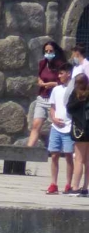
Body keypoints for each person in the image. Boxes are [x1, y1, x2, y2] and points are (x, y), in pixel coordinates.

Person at [29, 42, 66, 147]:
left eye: (50, 51)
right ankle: (28, 150)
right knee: (36, 124)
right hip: (42, 98)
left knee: (57, 125)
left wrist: (52, 84)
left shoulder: (61, 65)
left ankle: (63, 149)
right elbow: (40, 76)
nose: (48, 53)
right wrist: (40, 81)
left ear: (55, 52)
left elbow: (64, 81)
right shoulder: (42, 63)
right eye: (46, 51)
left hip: (54, 100)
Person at [47, 64, 74, 194]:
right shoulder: (56, 89)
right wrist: (53, 118)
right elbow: (52, 107)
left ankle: (69, 184)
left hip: (69, 127)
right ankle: (53, 183)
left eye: (61, 73)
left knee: (69, 155)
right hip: (55, 127)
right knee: (54, 155)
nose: (59, 76)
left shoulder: (74, 89)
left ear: (68, 73)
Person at [68, 73, 89, 197]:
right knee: (87, 161)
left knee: (79, 159)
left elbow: (69, 108)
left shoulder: (77, 94)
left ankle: (75, 187)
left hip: (81, 129)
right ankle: (85, 188)